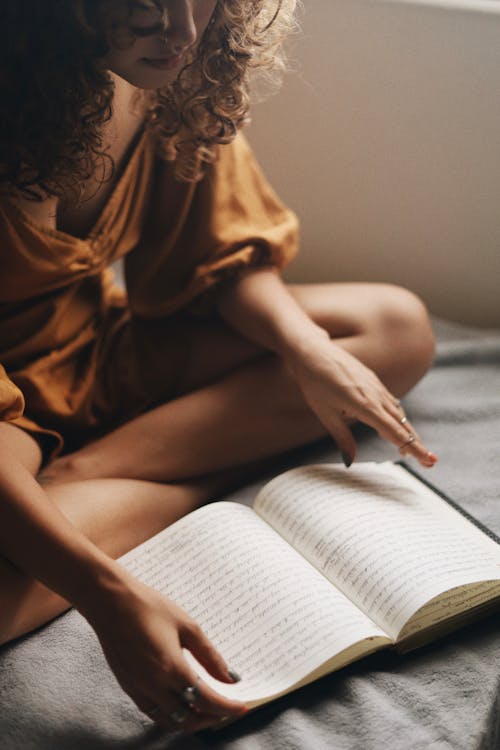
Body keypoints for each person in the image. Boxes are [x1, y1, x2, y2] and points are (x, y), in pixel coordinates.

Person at [0, 0, 437, 734]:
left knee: (394, 329)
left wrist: (307, 351)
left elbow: (218, 258)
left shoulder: (165, 71)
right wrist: (109, 597)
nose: (183, 31)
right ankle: (175, 487)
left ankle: (78, 490)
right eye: (143, 1)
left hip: (102, 354)